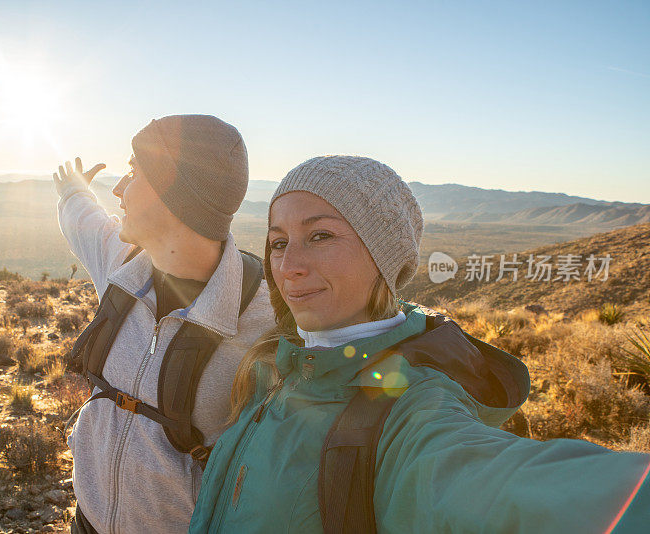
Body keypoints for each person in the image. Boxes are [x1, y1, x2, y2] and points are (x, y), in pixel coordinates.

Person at [189, 155, 650, 533]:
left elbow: (504, 486)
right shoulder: (274, 364)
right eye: (277, 242)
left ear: (384, 255)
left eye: (321, 236)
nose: (289, 265)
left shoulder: (410, 402)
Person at [53, 114, 274, 533]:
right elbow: (82, 223)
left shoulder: (268, 321)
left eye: (134, 173)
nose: (117, 189)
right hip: (88, 522)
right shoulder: (124, 270)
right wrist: (71, 191)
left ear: (175, 193)